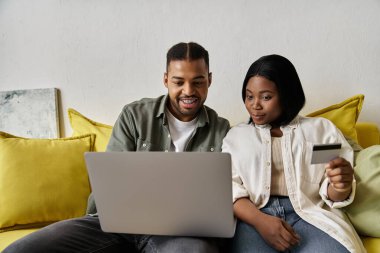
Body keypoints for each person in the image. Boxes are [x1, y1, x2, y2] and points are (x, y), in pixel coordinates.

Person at [4, 42, 230, 253]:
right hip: (115, 223)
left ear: (209, 80)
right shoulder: (134, 115)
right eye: (179, 81)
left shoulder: (222, 130)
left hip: (180, 232)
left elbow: (221, 198)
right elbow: (110, 182)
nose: (188, 91)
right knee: (20, 250)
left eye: (198, 81)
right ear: (165, 80)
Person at [222, 55, 366, 253]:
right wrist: (261, 221)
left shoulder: (319, 130)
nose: (255, 105)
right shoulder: (236, 137)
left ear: (287, 94)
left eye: (266, 97)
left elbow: (330, 189)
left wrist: (341, 185)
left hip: (311, 214)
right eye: (249, 96)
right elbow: (229, 188)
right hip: (254, 218)